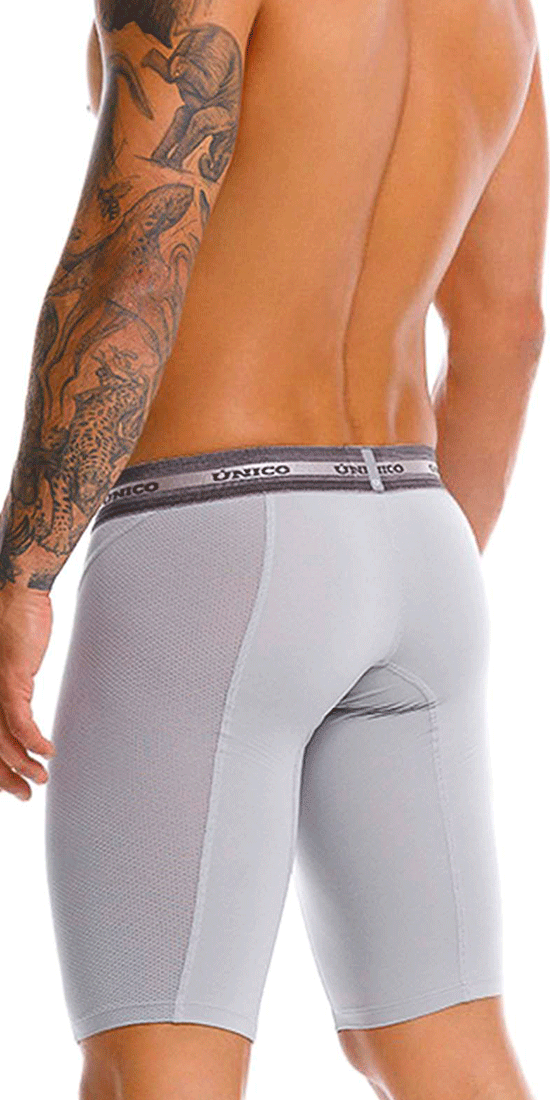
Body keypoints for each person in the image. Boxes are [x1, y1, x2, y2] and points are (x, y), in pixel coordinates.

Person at [0, 0, 547, 1096]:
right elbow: (506, 322)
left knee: (156, 1060)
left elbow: (135, 255)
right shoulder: (501, 12)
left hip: (212, 542)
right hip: (419, 540)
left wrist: (25, 569)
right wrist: (390, 581)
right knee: (451, 1059)